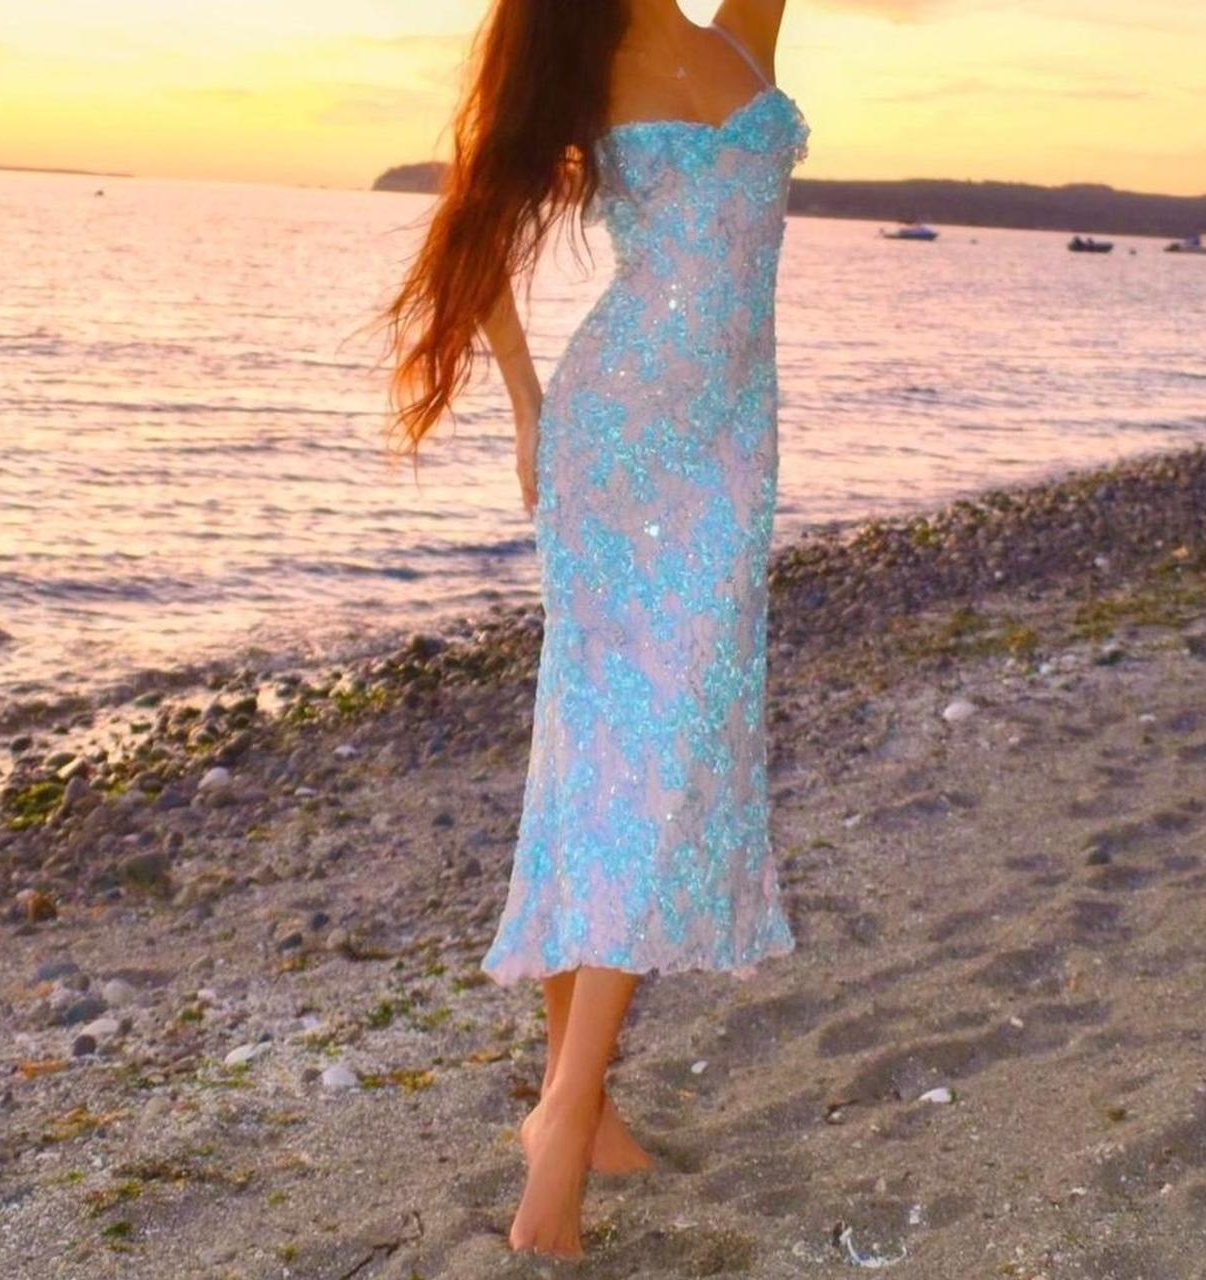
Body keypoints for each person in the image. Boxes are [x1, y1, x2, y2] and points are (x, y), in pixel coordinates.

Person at [381, 0, 809, 1260]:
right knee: (630, 754)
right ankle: (565, 1123)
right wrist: (526, 409)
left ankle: (577, 1102)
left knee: (624, 755)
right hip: (614, 435)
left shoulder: (744, 32)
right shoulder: (574, 60)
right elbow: (469, 235)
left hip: (726, 448)